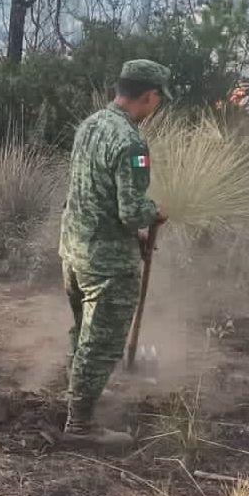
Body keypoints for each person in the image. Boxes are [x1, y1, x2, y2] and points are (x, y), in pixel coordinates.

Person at [58, 59, 172, 450]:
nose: (157, 105)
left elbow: (92, 192)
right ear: (149, 96)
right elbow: (131, 211)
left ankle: (79, 391)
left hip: (74, 249)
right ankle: (80, 424)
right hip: (106, 262)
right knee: (102, 342)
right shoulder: (132, 143)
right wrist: (154, 213)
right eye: (158, 98)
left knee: (83, 331)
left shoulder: (89, 125)